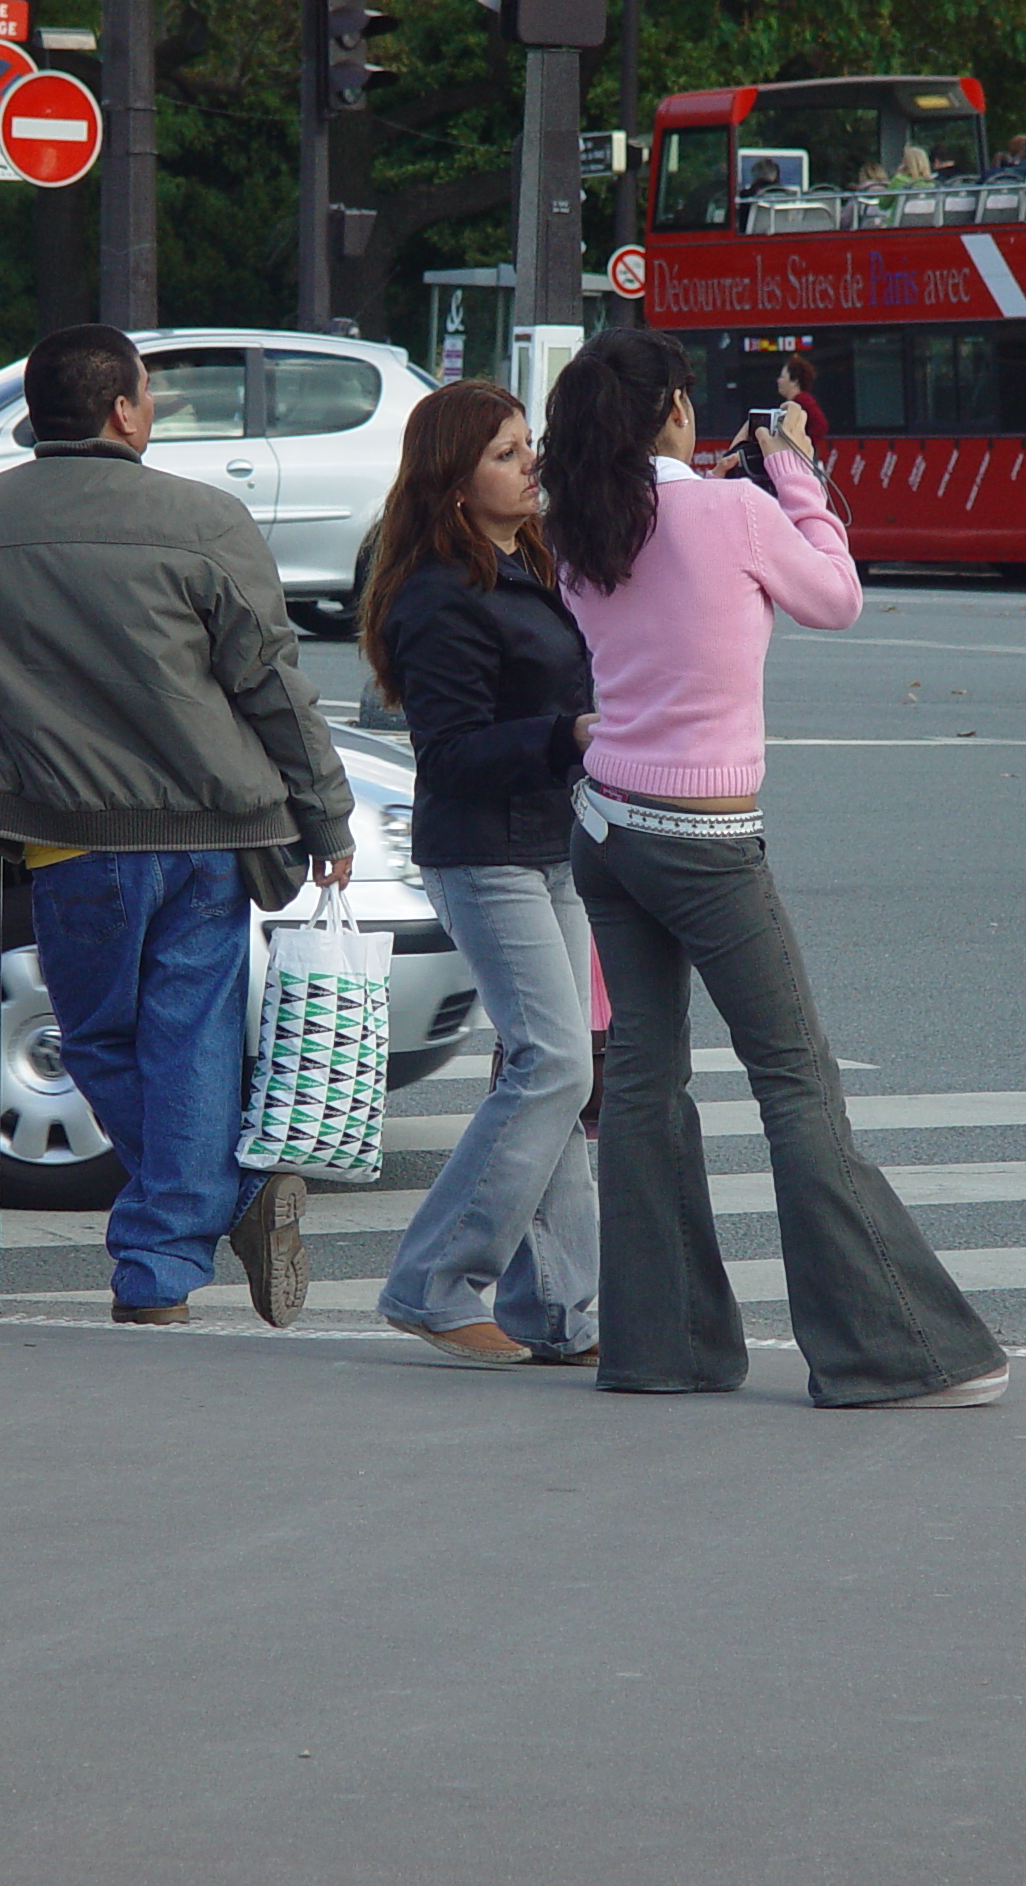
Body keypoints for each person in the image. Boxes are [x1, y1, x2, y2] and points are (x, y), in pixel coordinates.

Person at [538, 327, 1008, 1409]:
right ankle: (890, 1350)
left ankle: (662, 1349)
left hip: (606, 827)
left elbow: (662, 567)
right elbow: (834, 597)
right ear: (670, 412)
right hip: (704, 841)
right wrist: (793, 471)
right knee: (795, 1081)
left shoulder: (580, 528)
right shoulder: (735, 509)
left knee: (648, 1082)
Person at [0, 324, 356, 1329]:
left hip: (68, 835)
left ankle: (178, 1249)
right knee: (192, 1042)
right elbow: (270, 684)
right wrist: (324, 813)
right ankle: (166, 1264)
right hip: (213, 835)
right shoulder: (205, 520)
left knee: (94, 1041)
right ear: (123, 411)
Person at [358, 380, 599, 1368]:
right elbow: (449, 753)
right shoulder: (439, 595)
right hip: (484, 850)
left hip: (549, 842)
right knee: (555, 1064)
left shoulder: (526, 565)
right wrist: (567, 735)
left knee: (549, 1072)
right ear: (452, 485)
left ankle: (565, 1311)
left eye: (525, 446)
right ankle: (432, 1283)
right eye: (505, 453)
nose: (528, 464)